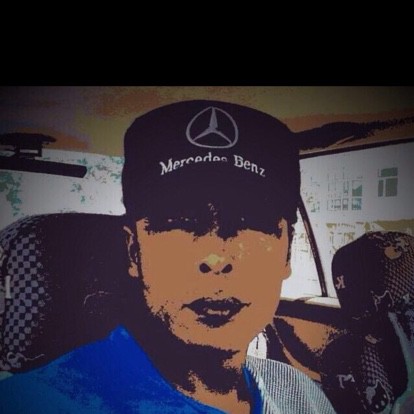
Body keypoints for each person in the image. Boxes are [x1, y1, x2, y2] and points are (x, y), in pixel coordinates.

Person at [0, 100, 336, 413]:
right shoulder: (30, 402)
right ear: (134, 252)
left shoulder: (300, 393)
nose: (216, 258)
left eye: (251, 223)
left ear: (286, 253)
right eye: (179, 223)